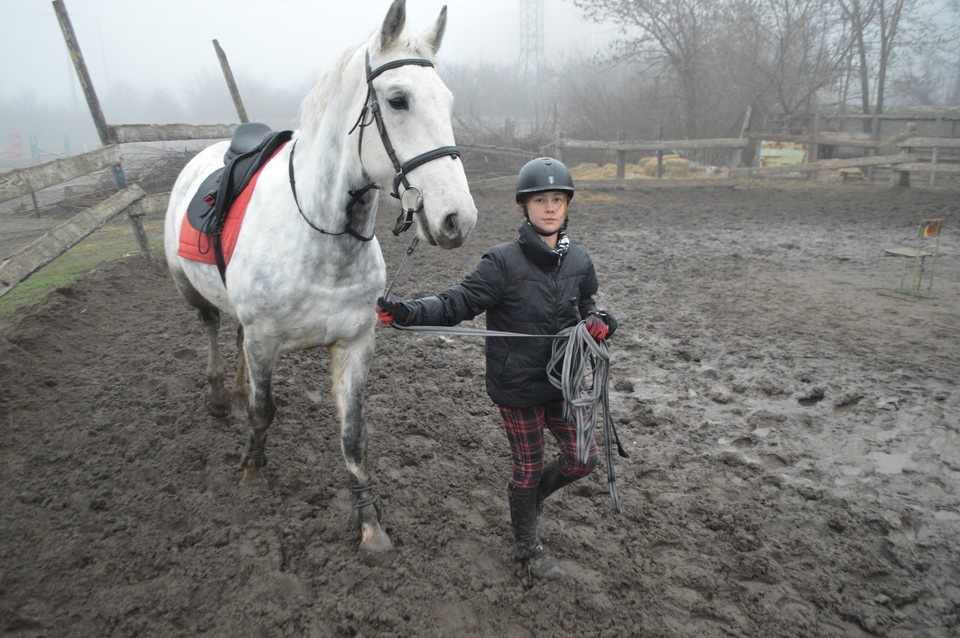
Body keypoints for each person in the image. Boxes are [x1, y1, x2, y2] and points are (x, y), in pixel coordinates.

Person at [376, 157, 618, 580]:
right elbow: (456, 303)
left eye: (557, 200)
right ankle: (527, 547)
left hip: (563, 383)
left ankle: (533, 497)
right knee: (526, 467)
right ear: (524, 206)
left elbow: (590, 303)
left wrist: (600, 321)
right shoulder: (502, 263)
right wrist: (407, 313)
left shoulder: (580, 261)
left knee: (583, 459)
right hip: (516, 387)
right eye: (540, 200)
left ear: (567, 205)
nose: (549, 208)